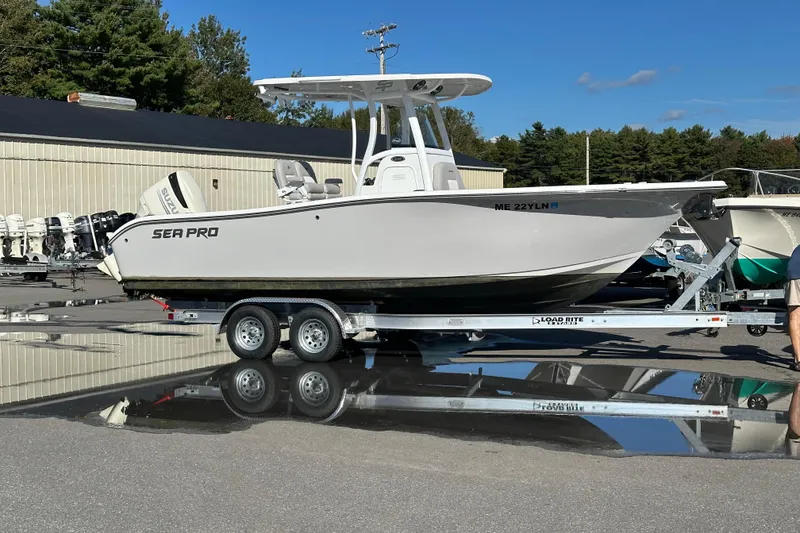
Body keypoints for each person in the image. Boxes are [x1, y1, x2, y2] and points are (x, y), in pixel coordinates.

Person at [785, 244, 800, 371]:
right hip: (797, 273)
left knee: (795, 316)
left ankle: (799, 360)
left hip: (795, 275)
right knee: (795, 316)